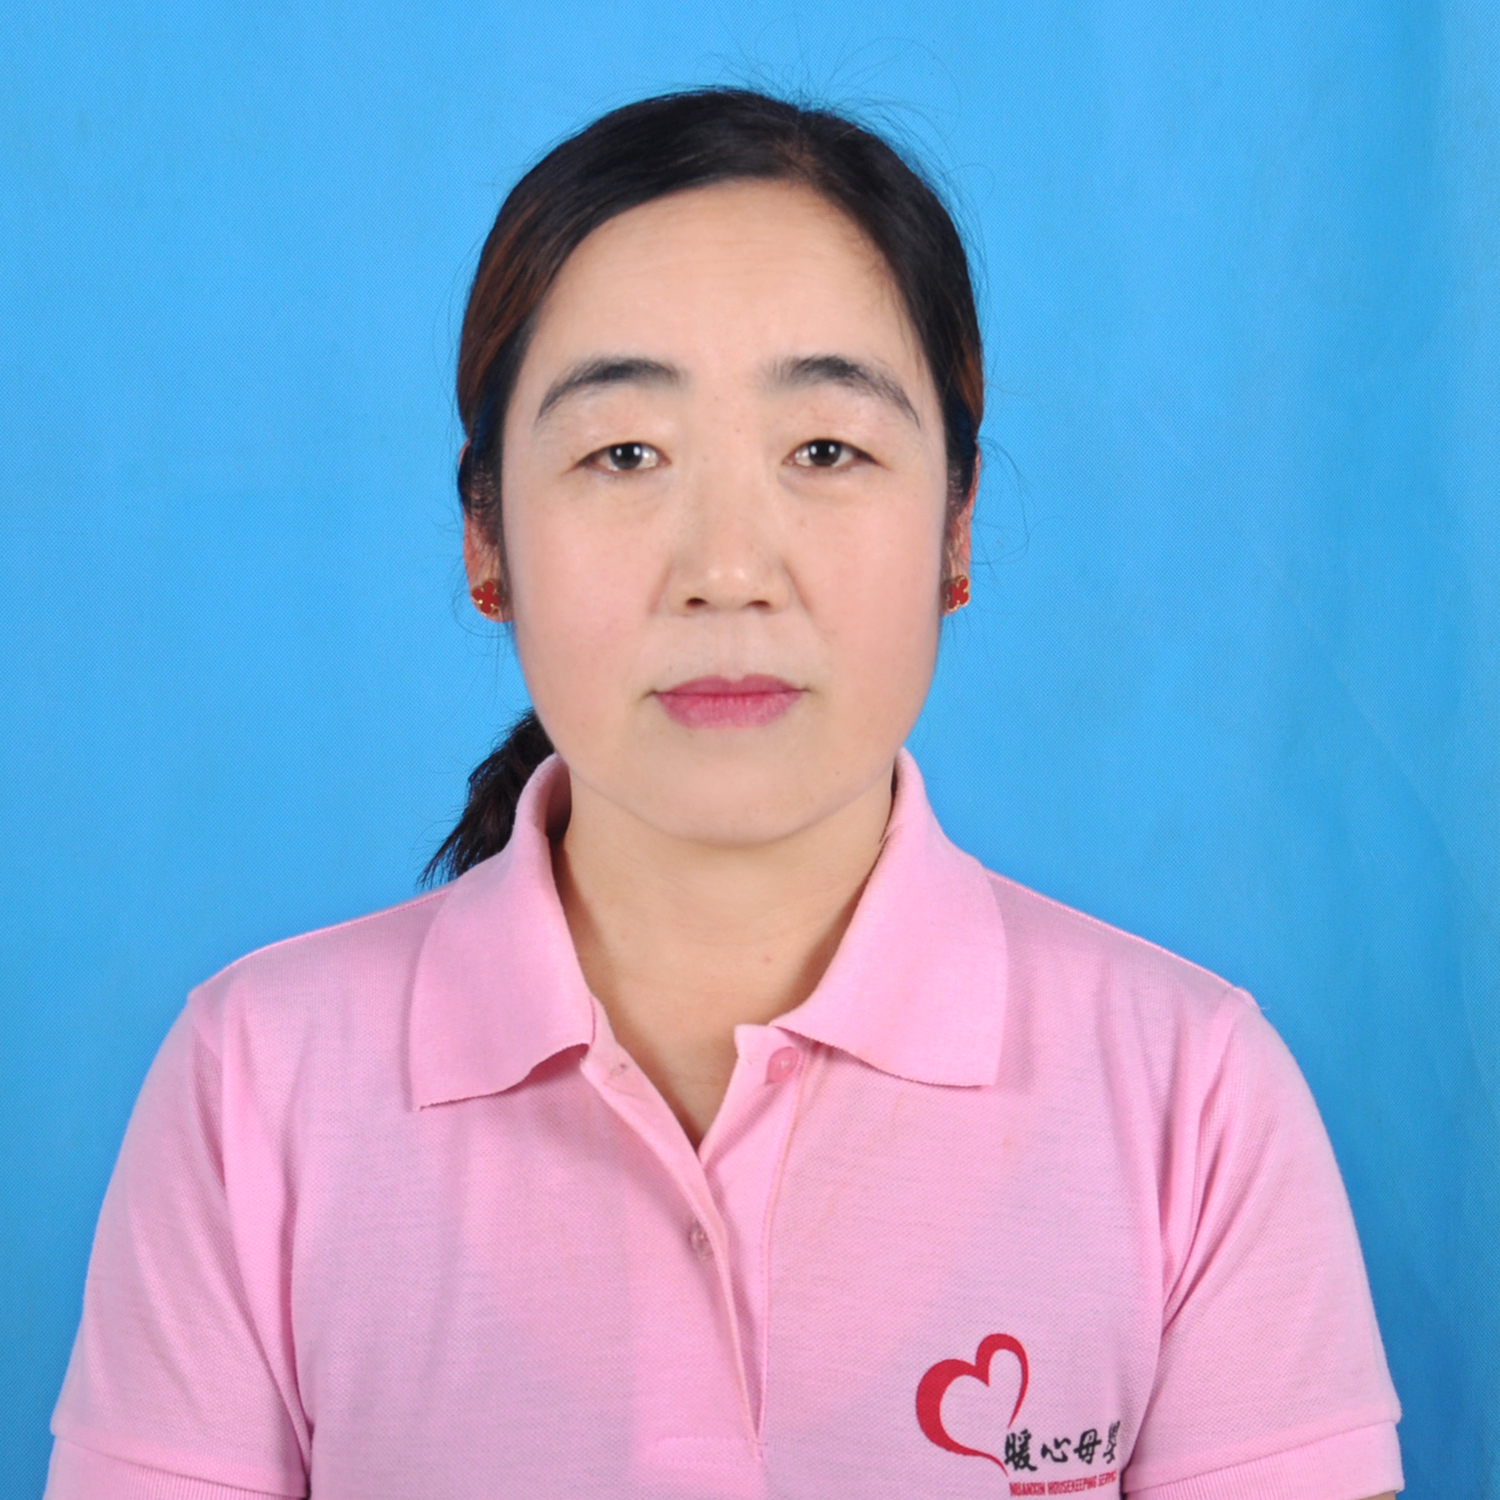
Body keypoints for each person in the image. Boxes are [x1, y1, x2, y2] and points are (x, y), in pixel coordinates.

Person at [44, 88, 1402, 1500]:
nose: (729, 569)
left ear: (957, 524)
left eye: (826, 450)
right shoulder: (254, 1085)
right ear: (486, 536)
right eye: (625, 453)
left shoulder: (1191, 1097)